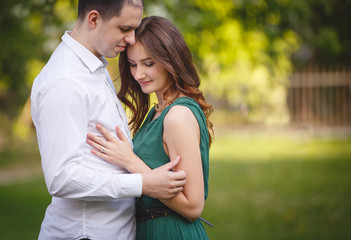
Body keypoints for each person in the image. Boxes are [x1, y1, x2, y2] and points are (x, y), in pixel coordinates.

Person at [30, 1, 187, 239]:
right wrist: (142, 183)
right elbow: (61, 178)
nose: (132, 39)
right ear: (94, 19)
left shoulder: (95, 68)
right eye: (124, 29)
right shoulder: (66, 80)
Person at [86, 16, 214, 239]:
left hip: (172, 231)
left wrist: (130, 161)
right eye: (133, 65)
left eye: (149, 63)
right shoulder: (157, 113)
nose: (138, 74)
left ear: (170, 60)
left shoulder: (178, 116)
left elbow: (193, 207)